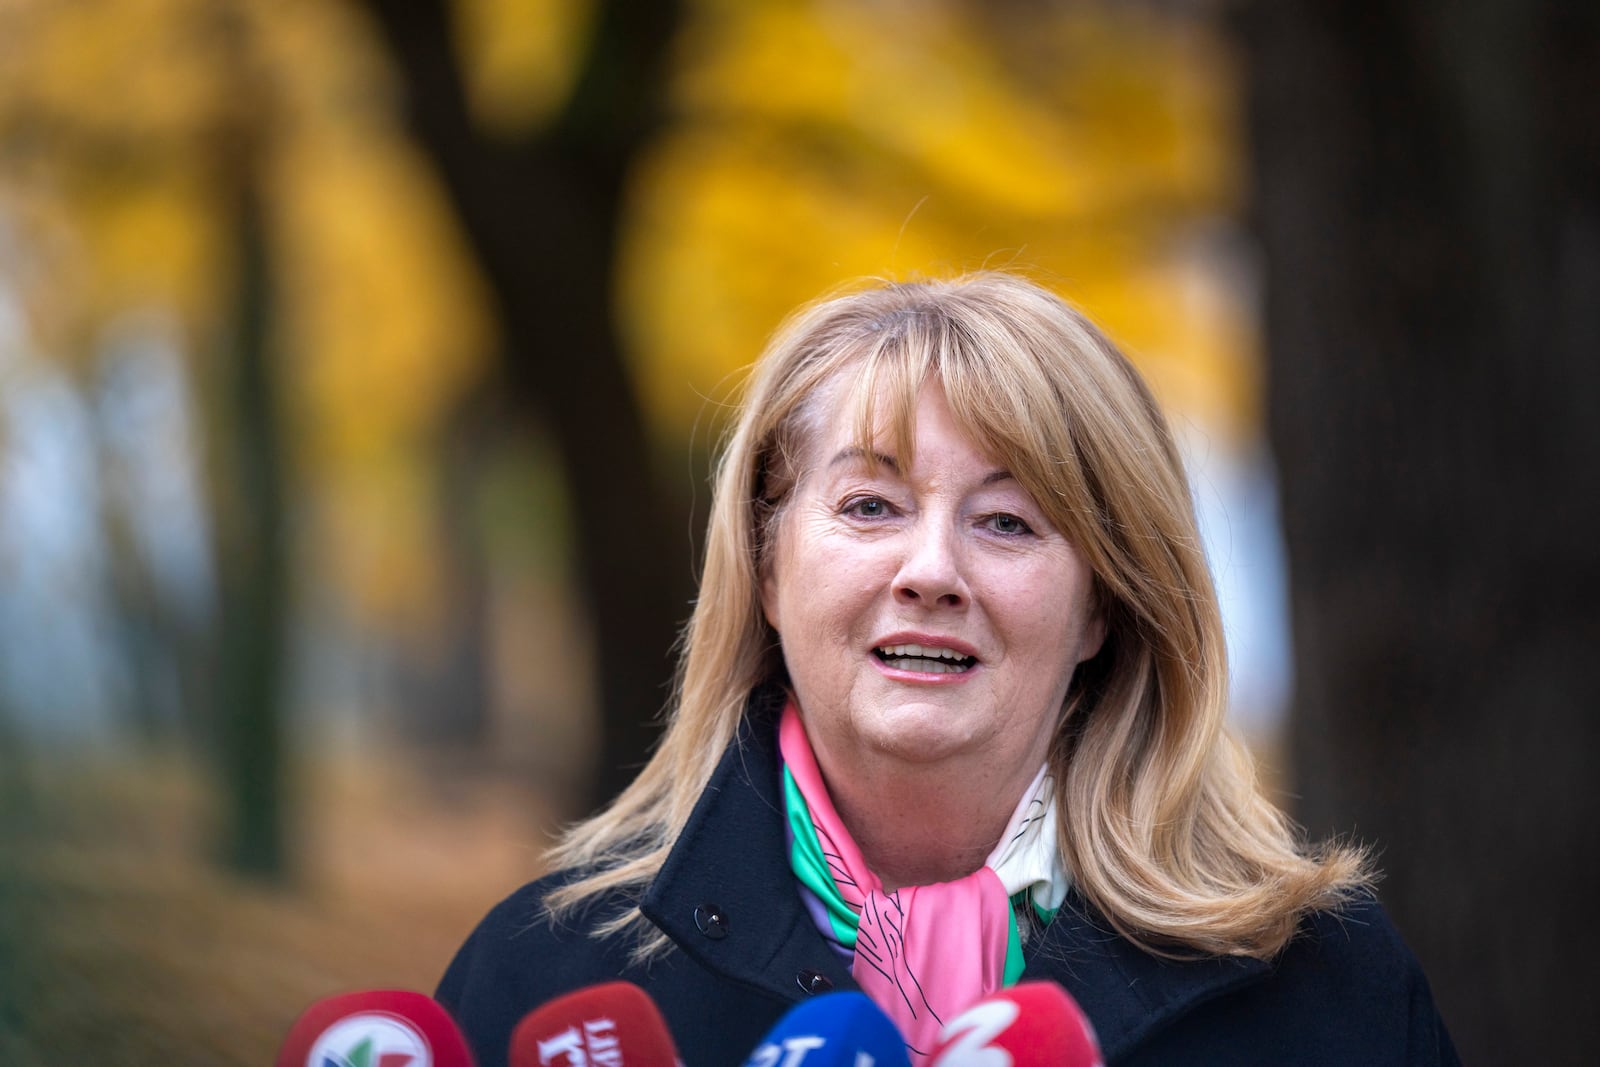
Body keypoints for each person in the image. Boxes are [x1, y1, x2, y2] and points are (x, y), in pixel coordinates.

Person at [436, 273, 1459, 1066]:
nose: (932, 571)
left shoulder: (1320, 983)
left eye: (1008, 521)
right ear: (765, 564)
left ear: (1101, 603)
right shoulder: (545, 979)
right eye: (870, 506)